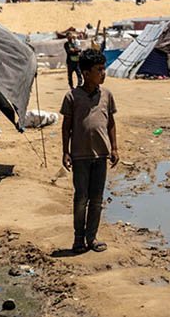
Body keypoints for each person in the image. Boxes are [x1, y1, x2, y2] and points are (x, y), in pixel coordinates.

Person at [60, 49, 120, 254]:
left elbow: (111, 123)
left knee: (96, 199)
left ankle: (91, 237)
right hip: (80, 156)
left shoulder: (107, 95)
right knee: (81, 199)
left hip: (101, 155)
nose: (103, 73)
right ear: (86, 73)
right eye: (99, 70)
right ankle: (78, 238)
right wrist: (65, 152)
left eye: (104, 69)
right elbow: (66, 127)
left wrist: (114, 148)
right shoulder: (72, 96)